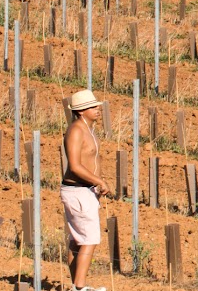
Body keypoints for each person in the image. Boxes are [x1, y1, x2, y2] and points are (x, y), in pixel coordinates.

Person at [62, 90, 111, 291]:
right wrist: (99, 181)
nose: (97, 109)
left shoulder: (88, 129)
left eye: (96, 105)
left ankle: (77, 285)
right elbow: (74, 166)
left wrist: (95, 186)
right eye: (92, 107)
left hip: (86, 190)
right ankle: (80, 287)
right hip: (77, 190)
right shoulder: (76, 131)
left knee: (78, 240)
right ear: (81, 111)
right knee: (90, 238)